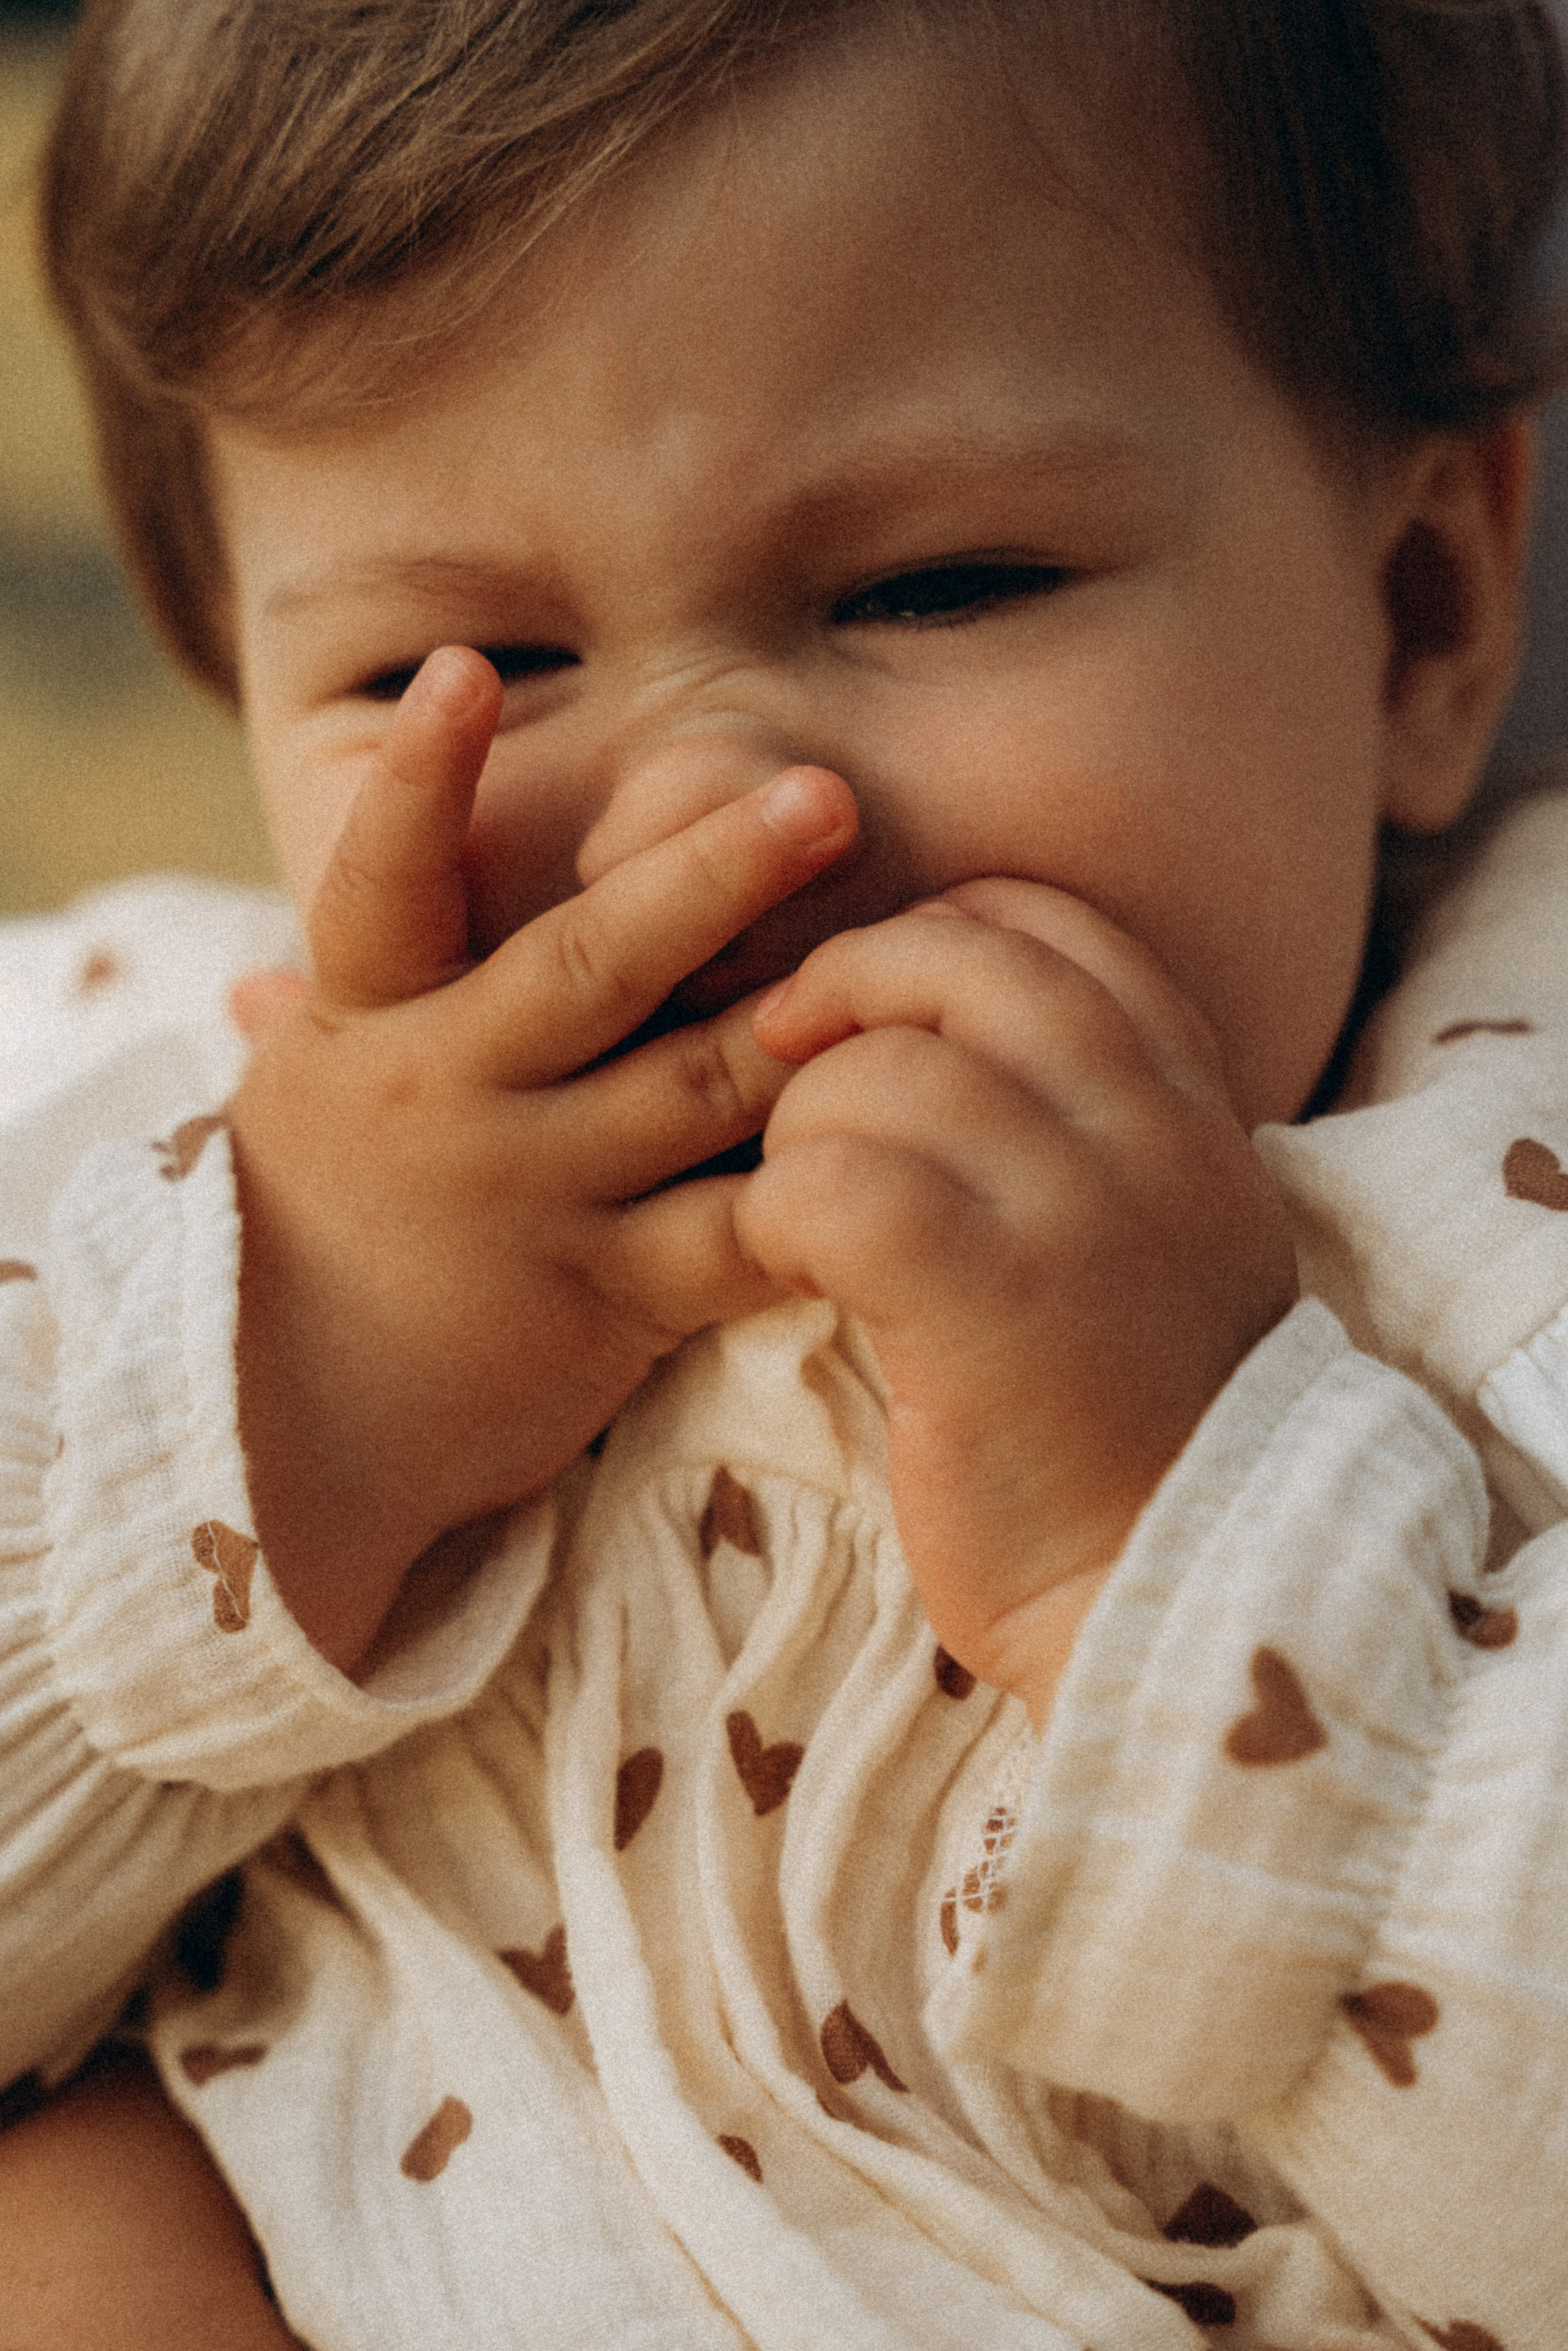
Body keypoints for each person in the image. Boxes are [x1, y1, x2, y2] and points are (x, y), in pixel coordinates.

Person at [2, 0, 1567, 2341]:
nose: (696, 833)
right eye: (464, 656)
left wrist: (1206, 1533)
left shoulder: (1504, 1188)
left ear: (1424, 609)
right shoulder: (142, 1126)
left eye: (939, 587)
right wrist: (285, 1408)